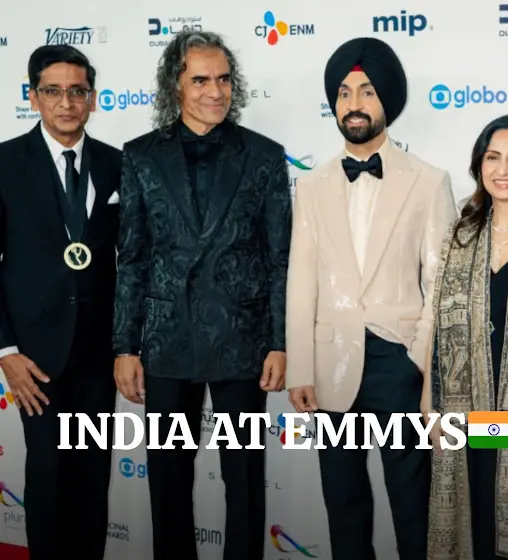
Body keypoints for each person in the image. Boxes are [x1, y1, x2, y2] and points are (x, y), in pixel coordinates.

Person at [112, 30, 292, 560]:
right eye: (200, 80)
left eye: (223, 79)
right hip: (167, 341)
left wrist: (280, 341)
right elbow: (132, 257)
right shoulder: (141, 156)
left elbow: (280, 258)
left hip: (244, 341)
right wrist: (124, 346)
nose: (215, 91)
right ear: (176, 86)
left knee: (244, 477)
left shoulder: (264, 155)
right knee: (167, 478)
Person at [285, 37, 457, 560]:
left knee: (413, 503)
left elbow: (442, 285)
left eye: (366, 91)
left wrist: (419, 361)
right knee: (343, 504)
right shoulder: (311, 185)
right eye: (343, 93)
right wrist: (300, 368)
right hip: (330, 361)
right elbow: (302, 280)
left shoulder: (429, 182)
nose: (353, 104)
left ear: (388, 100)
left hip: (398, 362)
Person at [0, 45, 121, 560]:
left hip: (99, 351)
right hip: (34, 355)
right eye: (53, 91)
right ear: (33, 97)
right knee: (48, 474)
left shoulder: (117, 164)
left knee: (93, 477)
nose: (66, 103)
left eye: (77, 91)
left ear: (92, 98)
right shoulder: (5, 163)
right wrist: (5, 351)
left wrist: (128, 345)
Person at [423, 114, 508, 559]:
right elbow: (439, 329)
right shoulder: (460, 237)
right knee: (477, 519)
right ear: (479, 165)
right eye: (492, 157)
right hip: (469, 416)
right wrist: (430, 405)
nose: (503, 170)